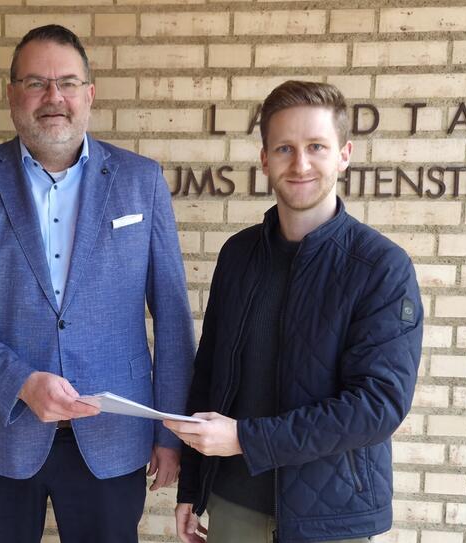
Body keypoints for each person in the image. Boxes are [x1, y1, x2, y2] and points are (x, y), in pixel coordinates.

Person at [0, 24, 195, 543]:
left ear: (89, 95)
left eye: (67, 83)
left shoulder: (142, 180)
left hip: (112, 438)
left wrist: (169, 432)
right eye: (36, 83)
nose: (54, 98)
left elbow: (174, 317)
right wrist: (21, 382)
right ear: (11, 96)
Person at [165, 81, 423, 543]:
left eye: (316, 147)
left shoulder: (381, 267)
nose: (300, 163)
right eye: (284, 148)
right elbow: (210, 376)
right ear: (264, 159)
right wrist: (192, 486)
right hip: (233, 504)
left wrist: (247, 438)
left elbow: (377, 406)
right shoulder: (239, 254)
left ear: (344, 154)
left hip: (330, 516)